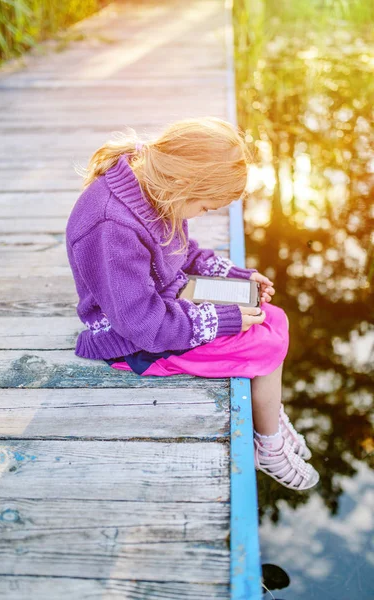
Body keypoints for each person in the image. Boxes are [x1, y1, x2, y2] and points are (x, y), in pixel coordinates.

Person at [65, 116, 320, 491]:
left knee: (274, 318)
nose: (203, 214)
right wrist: (223, 319)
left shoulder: (153, 184)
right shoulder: (113, 227)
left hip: (166, 305)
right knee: (264, 344)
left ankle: (271, 411)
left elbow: (181, 251)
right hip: (134, 343)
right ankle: (268, 445)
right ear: (185, 186)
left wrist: (234, 276)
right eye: (205, 207)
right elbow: (144, 325)